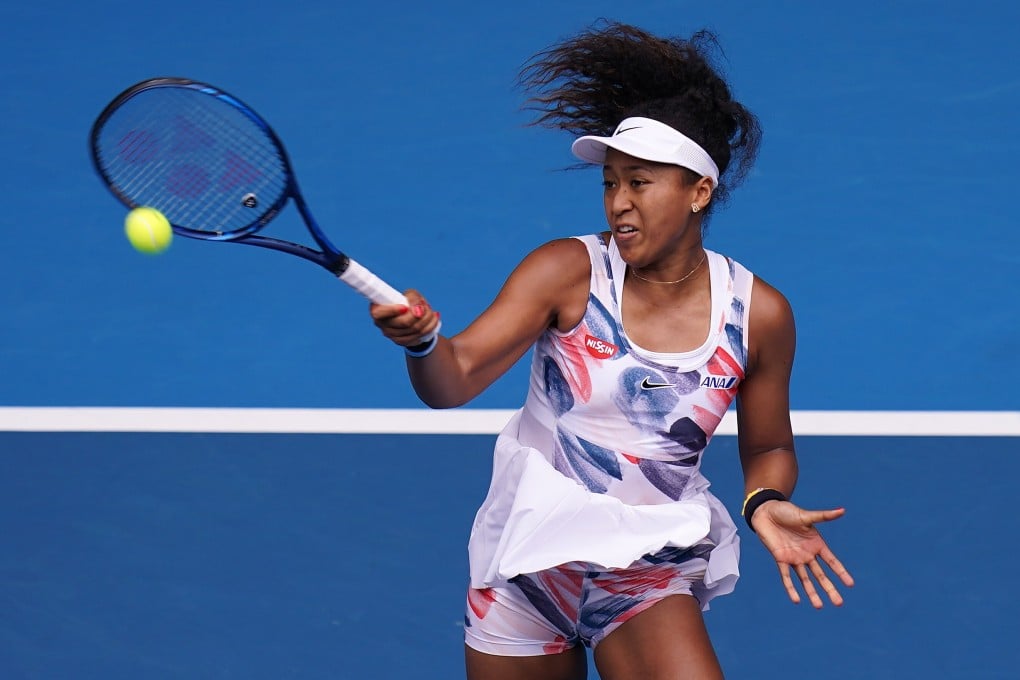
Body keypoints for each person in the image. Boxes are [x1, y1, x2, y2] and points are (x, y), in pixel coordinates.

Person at [370, 20, 853, 680]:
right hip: (526, 566)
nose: (619, 203)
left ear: (699, 191)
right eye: (610, 182)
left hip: (644, 573)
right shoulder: (566, 271)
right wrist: (423, 343)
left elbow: (768, 445)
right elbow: (451, 381)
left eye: (641, 182)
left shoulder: (758, 315)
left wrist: (764, 501)